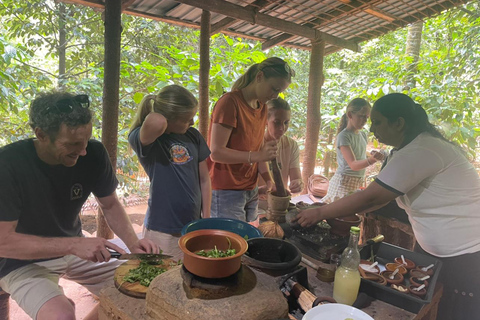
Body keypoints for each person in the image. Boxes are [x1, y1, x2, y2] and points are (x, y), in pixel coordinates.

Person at [295, 93, 480, 320]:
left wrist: (320, 212)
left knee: (453, 313)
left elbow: (373, 198)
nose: (372, 129)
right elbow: (381, 197)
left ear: (399, 123)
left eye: (378, 122)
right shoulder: (404, 149)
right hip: (436, 251)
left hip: (466, 254)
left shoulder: (424, 149)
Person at [0, 92, 159, 320]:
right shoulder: (8, 165)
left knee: (147, 285)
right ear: (41, 134)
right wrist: (74, 245)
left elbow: (111, 204)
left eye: (85, 141)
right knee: (61, 315)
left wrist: (134, 245)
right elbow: (3, 243)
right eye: (73, 144)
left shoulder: (93, 154)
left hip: (74, 249)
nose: (83, 150)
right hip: (21, 261)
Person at [129, 85, 211, 260]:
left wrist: (206, 217)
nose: (193, 122)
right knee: (160, 276)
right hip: (161, 229)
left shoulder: (193, 136)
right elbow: (156, 122)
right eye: (187, 118)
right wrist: (163, 118)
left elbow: (204, 179)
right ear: (168, 120)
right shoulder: (147, 140)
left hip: (191, 223)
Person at [207, 57, 294, 222]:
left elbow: (258, 148)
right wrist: (257, 156)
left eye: (279, 92)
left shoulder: (261, 107)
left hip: (250, 187)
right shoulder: (230, 103)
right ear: (260, 77)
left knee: (246, 240)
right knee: (231, 244)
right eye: (274, 89)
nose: (275, 96)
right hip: (226, 189)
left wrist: (269, 181)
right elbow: (216, 153)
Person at [320, 98, 384, 203]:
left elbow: (359, 156)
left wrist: (371, 156)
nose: (364, 120)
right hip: (343, 182)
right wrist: (372, 160)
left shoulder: (362, 135)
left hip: (356, 181)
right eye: (361, 116)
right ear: (350, 115)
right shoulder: (344, 136)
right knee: (338, 213)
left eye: (367, 117)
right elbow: (353, 165)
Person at [258, 98, 303, 197]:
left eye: (286, 122)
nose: (282, 128)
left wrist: (298, 184)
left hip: (280, 203)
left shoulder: (291, 145)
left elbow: (296, 178)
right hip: (257, 203)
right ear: (266, 120)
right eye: (277, 122)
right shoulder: (256, 144)